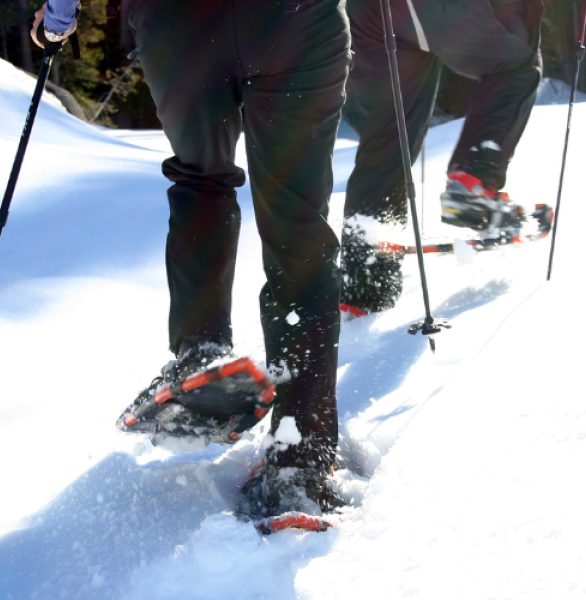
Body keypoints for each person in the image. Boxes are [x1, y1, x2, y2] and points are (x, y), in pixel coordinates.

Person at [32, 0, 351, 519]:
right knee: (297, 224)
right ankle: (303, 458)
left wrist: (61, 15)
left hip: (181, 25)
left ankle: (200, 350)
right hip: (295, 21)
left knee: (201, 180)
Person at [339, 0, 544, 314]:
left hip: (370, 13)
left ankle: (366, 278)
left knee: (390, 131)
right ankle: (473, 187)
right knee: (515, 65)